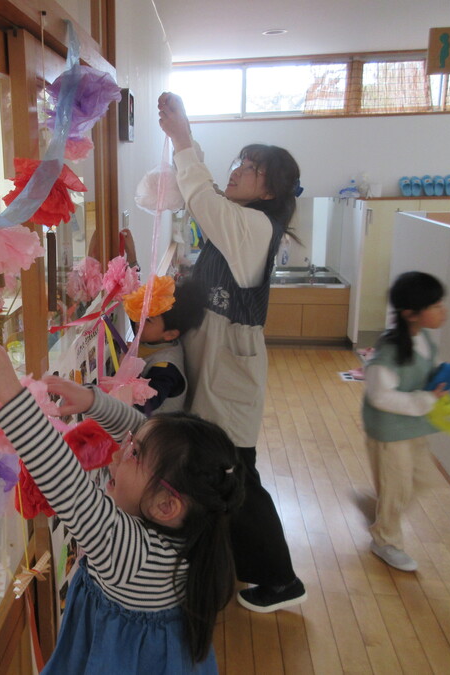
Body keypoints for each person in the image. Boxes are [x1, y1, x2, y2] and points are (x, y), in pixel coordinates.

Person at [0, 336, 244, 673]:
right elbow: (143, 431)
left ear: (166, 506)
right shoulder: (191, 524)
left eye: (134, 454)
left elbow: (67, 484)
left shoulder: (132, 555)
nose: (118, 453)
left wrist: (13, 396)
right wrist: (92, 402)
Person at [157, 91, 307, 612]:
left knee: (235, 474)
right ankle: (216, 564)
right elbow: (208, 205)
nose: (239, 170)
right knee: (217, 467)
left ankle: (281, 580)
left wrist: (182, 137)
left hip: (231, 370)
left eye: (252, 167)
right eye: (240, 161)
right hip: (217, 362)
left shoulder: (254, 226)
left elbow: (202, 198)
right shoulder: (238, 223)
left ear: (271, 190)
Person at [362, 271, 449, 572]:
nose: (443, 311)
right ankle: (385, 540)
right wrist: (425, 400)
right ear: (411, 313)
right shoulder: (389, 352)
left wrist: (443, 376)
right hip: (389, 432)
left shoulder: (422, 338)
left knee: (423, 479)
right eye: (435, 305)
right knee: (397, 488)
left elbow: (422, 370)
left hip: (414, 426)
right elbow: (380, 397)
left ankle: (382, 509)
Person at [123, 276, 207, 414]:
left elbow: (147, 403)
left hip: (150, 425)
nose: (139, 321)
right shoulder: (155, 337)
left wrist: (129, 370)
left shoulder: (166, 367)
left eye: (147, 319)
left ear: (170, 334)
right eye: (141, 312)